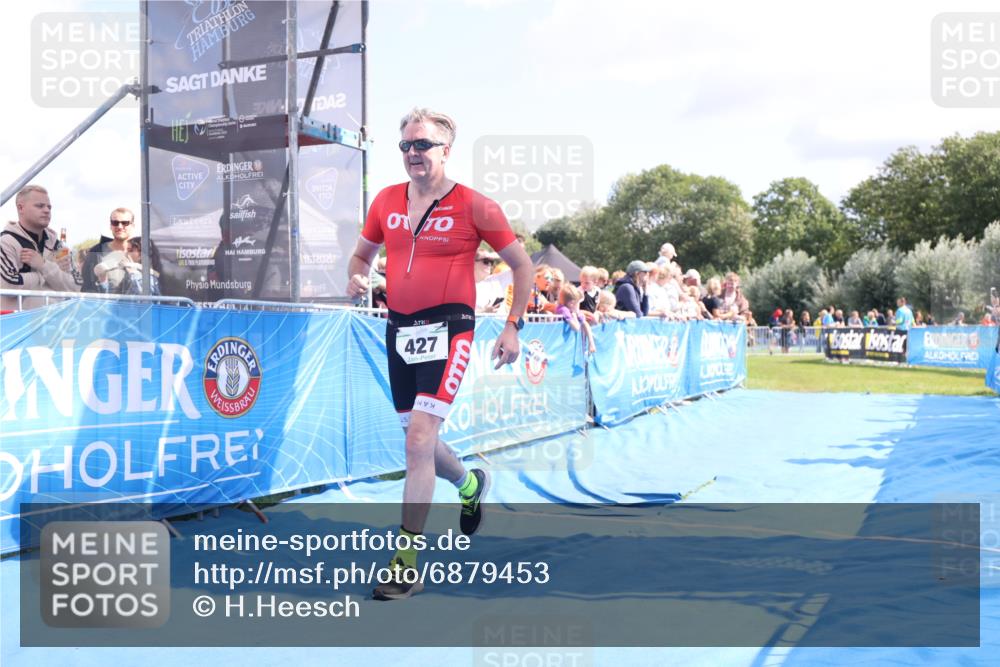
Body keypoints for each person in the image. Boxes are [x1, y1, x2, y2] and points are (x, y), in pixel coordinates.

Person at [345, 107, 532, 601]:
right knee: (417, 440)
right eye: (406, 146)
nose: (413, 154)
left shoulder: (476, 205)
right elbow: (361, 256)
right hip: (400, 328)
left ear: (445, 150)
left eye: (422, 145)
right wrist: (357, 276)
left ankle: (405, 562)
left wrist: (512, 327)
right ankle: (469, 483)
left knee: (420, 438)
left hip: (451, 326)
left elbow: (522, 267)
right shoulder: (385, 200)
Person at [1, 184, 78, 311]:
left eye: (49, 207)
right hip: (18, 326)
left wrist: (43, 265)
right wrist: (47, 270)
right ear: (21, 208)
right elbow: (7, 286)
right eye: (40, 206)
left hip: (54, 324)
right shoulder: (5, 242)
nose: (47, 210)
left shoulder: (59, 246)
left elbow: (75, 285)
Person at [81, 207, 136, 293]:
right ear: (110, 226)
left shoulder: (143, 252)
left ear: (133, 225)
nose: (120, 226)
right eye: (115, 223)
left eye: (125, 223)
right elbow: (87, 287)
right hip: (104, 305)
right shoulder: (96, 252)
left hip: (137, 306)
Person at [556, 284, 596, 354]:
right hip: (560, 348)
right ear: (572, 303)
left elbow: (585, 324)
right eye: (578, 303)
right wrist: (574, 316)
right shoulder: (563, 310)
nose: (579, 306)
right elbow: (576, 328)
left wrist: (591, 342)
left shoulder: (572, 310)